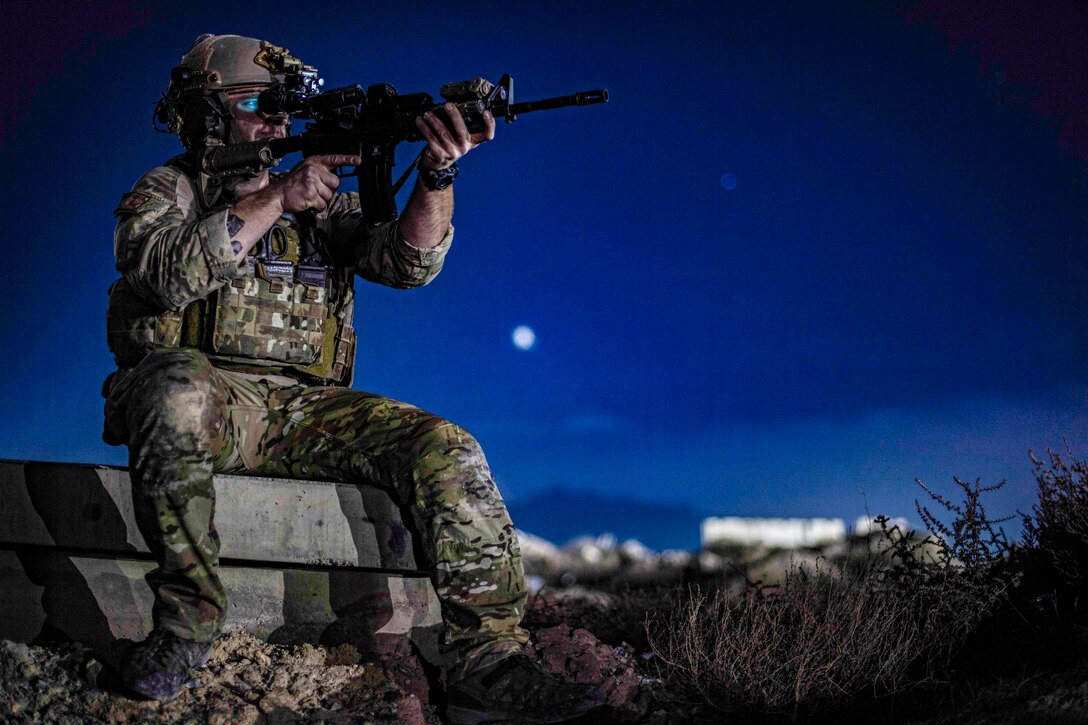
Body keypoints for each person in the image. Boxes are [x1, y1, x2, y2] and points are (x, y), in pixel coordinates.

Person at [102, 34, 602, 723]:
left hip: (305, 410)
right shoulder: (171, 188)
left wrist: (435, 173)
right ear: (210, 114)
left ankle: (486, 657)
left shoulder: (320, 204)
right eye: (259, 106)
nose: (278, 123)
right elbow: (165, 275)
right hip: (208, 399)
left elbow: (408, 263)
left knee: (445, 445)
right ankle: (189, 621)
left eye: (284, 110)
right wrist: (278, 192)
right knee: (175, 384)